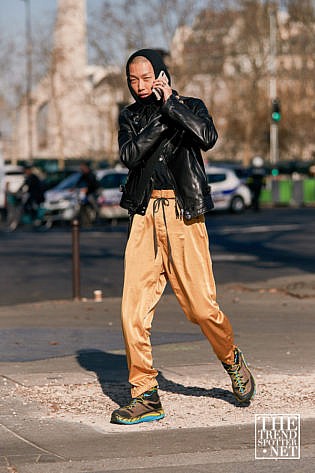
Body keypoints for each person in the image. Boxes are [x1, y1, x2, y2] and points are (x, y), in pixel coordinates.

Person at [111, 49, 256, 425]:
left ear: (162, 75)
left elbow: (207, 137)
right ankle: (145, 394)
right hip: (144, 216)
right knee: (132, 311)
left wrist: (171, 105)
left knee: (201, 308)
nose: (139, 86)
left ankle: (231, 359)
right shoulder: (130, 115)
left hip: (183, 214)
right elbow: (130, 155)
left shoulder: (190, 106)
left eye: (145, 78)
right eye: (133, 80)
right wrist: (162, 117)